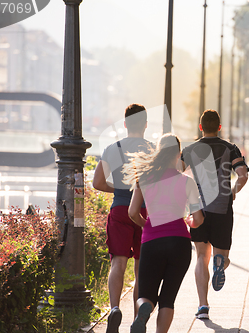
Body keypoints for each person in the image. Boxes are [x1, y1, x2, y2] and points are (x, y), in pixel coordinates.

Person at [125, 134, 204, 333]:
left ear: (158, 152)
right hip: (180, 242)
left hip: (152, 241)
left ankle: (145, 307)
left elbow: (132, 213)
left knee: (146, 294)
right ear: (178, 154)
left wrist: (146, 225)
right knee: (168, 298)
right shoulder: (187, 182)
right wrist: (190, 222)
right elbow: (199, 218)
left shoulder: (144, 178)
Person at [181, 109, 249, 320]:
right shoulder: (230, 148)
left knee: (201, 257)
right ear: (219, 127)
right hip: (222, 207)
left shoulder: (190, 149)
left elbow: (176, 175)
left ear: (201, 127)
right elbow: (243, 175)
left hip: (198, 208)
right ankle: (220, 263)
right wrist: (233, 192)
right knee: (222, 256)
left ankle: (203, 306)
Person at [92, 103, 153, 333]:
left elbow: (97, 182)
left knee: (118, 261)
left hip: (119, 209)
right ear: (145, 125)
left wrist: (119, 190)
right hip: (145, 213)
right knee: (140, 267)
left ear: (125, 124)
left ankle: (115, 308)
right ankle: (137, 318)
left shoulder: (112, 149)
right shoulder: (153, 150)